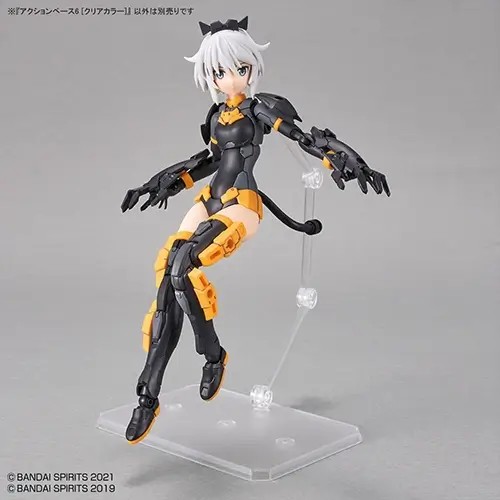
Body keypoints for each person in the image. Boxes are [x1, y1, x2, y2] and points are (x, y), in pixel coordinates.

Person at [120, 16, 390, 444]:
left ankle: (212, 356)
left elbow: (303, 138)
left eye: (239, 68)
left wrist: (346, 160)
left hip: (242, 203)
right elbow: (208, 161)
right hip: (209, 199)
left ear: (251, 68)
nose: (230, 78)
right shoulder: (216, 114)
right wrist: (161, 182)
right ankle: (148, 395)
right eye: (219, 71)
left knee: (184, 266)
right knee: (167, 271)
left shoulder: (259, 107)